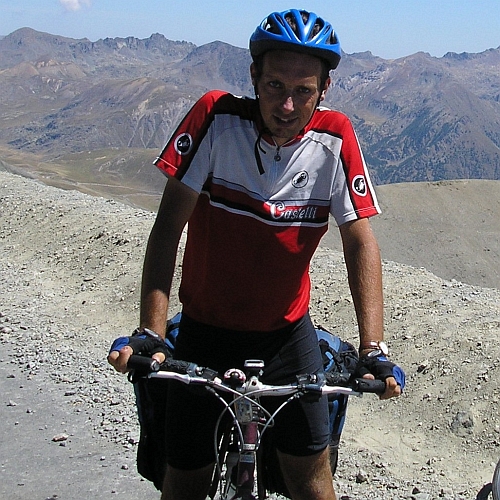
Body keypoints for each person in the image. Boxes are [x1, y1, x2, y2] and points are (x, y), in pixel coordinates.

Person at [108, 9, 404, 500]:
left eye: (303, 91)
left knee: (313, 483)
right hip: (203, 330)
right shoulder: (215, 119)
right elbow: (167, 230)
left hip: (286, 335)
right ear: (253, 78)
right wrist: (152, 333)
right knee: (184, 481)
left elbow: (359, 241)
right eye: (274, 86)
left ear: (324, 90)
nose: (287, 105)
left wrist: (373, 349)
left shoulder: (335, 137)